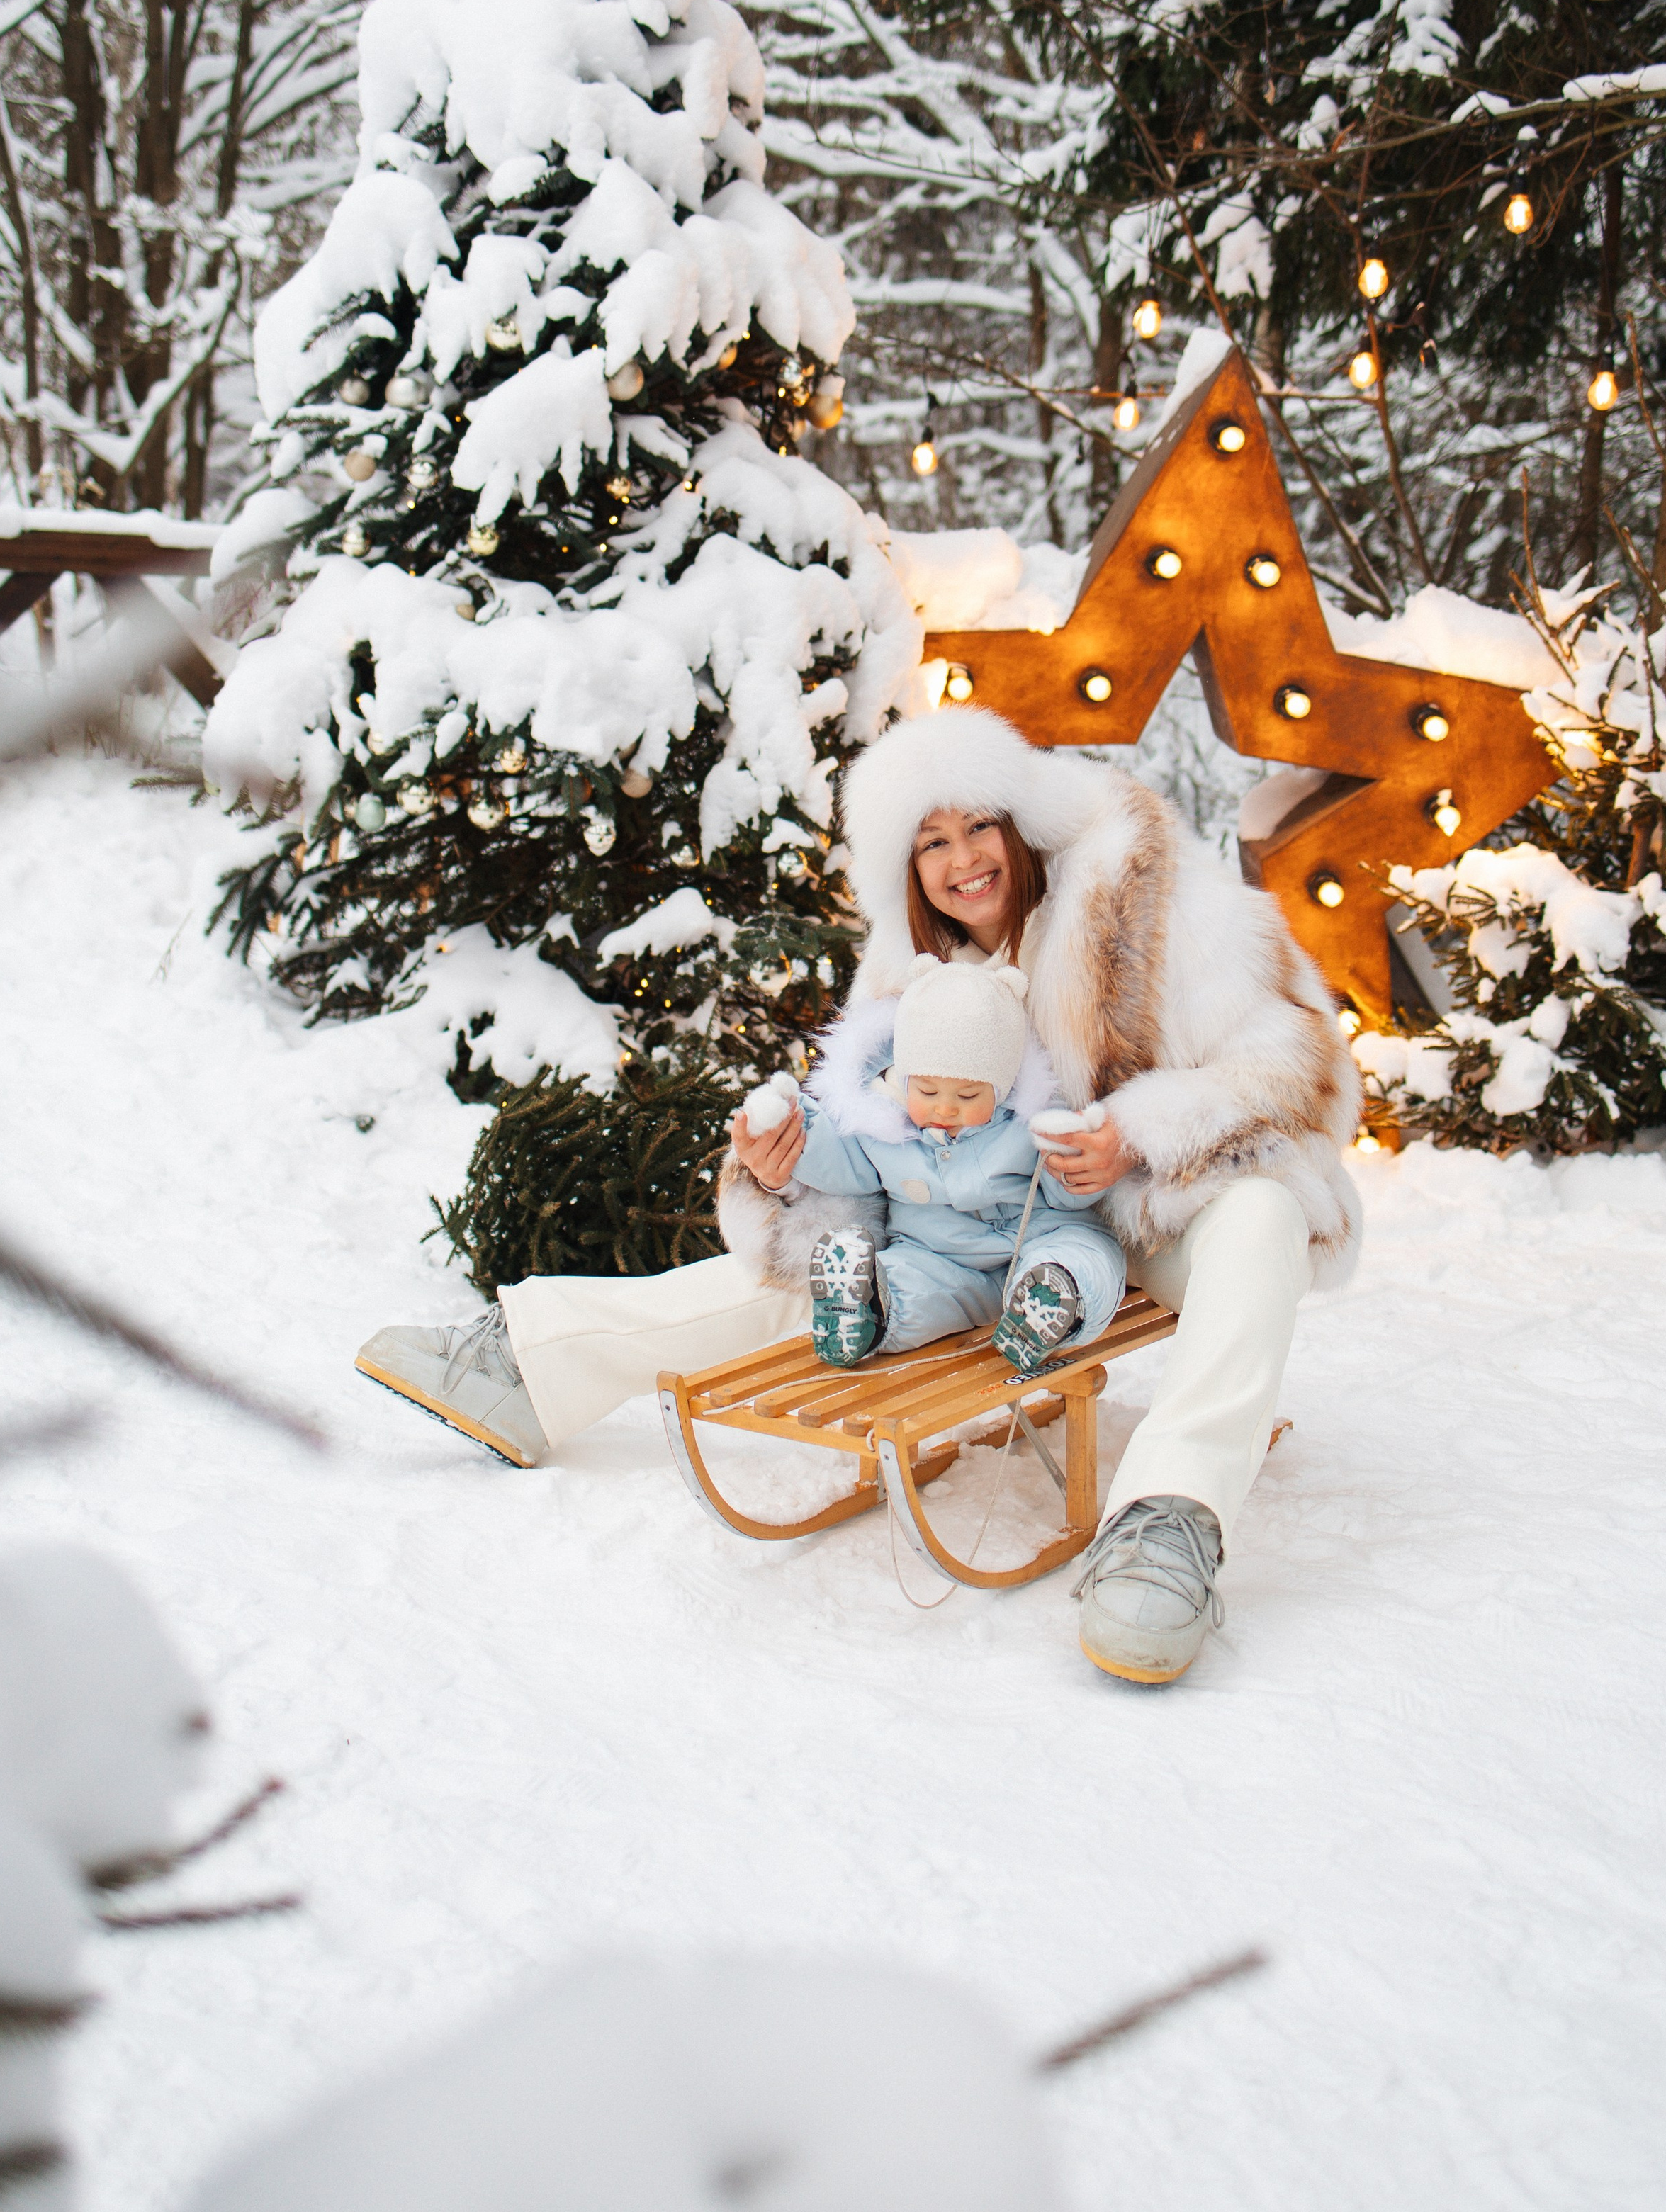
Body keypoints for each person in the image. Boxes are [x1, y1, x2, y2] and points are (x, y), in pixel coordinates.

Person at [361, 705, 1361, 1686]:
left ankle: (1166, 1526)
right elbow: (869, 1143)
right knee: (836, 1266)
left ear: (1019, 822)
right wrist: (783, 1164)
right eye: (932, 842)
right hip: (976, 1235)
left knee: (1263, 1215)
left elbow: (1298, 1062)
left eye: (978, 825)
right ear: (905, 867)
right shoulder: (908, 965)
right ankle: (535, 1365)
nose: (964, 858)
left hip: (1139, 1215)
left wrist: (1134, 1132)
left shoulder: (1138, 889)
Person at [747, 954, 1127, 1373]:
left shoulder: (1027, 1120)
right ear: (905, 1077)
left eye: (968, 1097)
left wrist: (1070, 1155)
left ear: (1002, 1086)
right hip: (939, 1254)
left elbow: (1067, 1198)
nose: (945, 1109)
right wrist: (798, 1130)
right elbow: (844, 1167)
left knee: (1087, 1253)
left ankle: (1056, 1299)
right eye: (927, 1091)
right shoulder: (883, 1125)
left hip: (1039, 1236)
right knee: (912, 1280)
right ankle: (866, 1309)